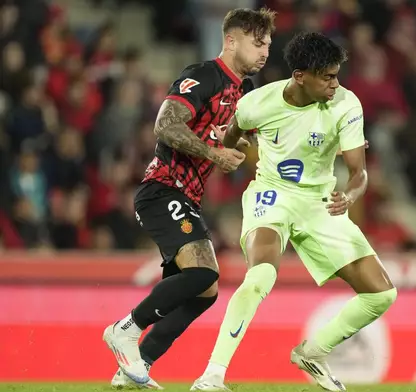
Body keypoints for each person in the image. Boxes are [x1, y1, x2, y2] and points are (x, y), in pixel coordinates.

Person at [191, 32, 397, 392]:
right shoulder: (258, 103)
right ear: (300, 76)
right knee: (259, 278)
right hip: (272, 194)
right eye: (327, 77)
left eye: (336, 75)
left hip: (320, 203)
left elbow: (359, 172)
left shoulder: (346, 105)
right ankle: (213, 375)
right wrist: (234, 144)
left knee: (381, 294)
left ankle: (312, 353)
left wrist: (349, 195)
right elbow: (232, 136)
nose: (335, 84)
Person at [102, 8, 276, 388]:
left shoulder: (243, 91)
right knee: (204, 273)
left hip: (187, 197)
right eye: (257, 43)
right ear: (231, 40)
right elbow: (165, 125)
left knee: (204, 292)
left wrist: (233, 144)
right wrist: (214, 154)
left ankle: (135, 367)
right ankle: (125, 330)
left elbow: (222, 133)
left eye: (268, 45)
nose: (265, 52)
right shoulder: (203, 76)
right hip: (162, 188)